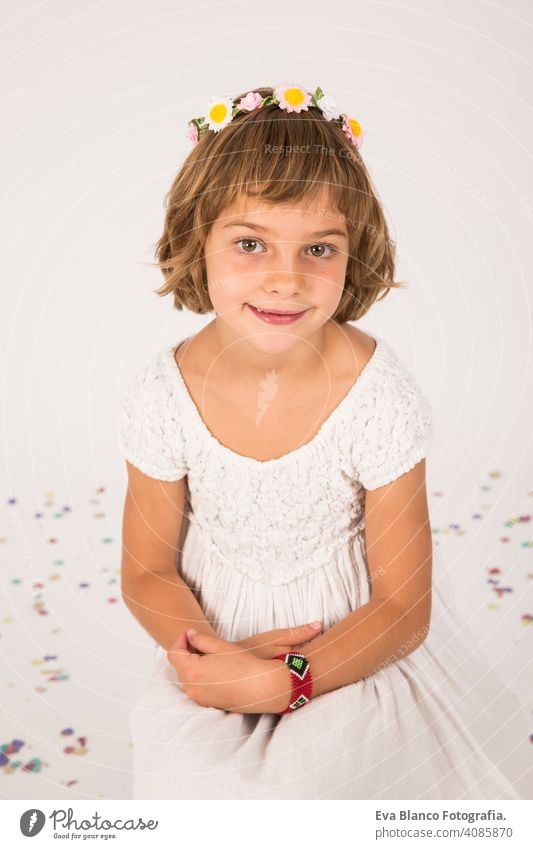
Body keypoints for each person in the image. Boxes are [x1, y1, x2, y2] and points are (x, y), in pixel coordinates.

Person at [118, 84, 531, 800]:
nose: (286, 278)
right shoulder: (164, 393)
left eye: (318, 248)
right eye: (250, 243)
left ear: (352, 252)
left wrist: (290, 679)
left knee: (321, 779)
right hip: (216, 640)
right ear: (197, 242)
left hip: (349, 650)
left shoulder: (377, 396)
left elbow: (402, 607)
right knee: (183, 773)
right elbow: (148, 569)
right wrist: (209, 659)